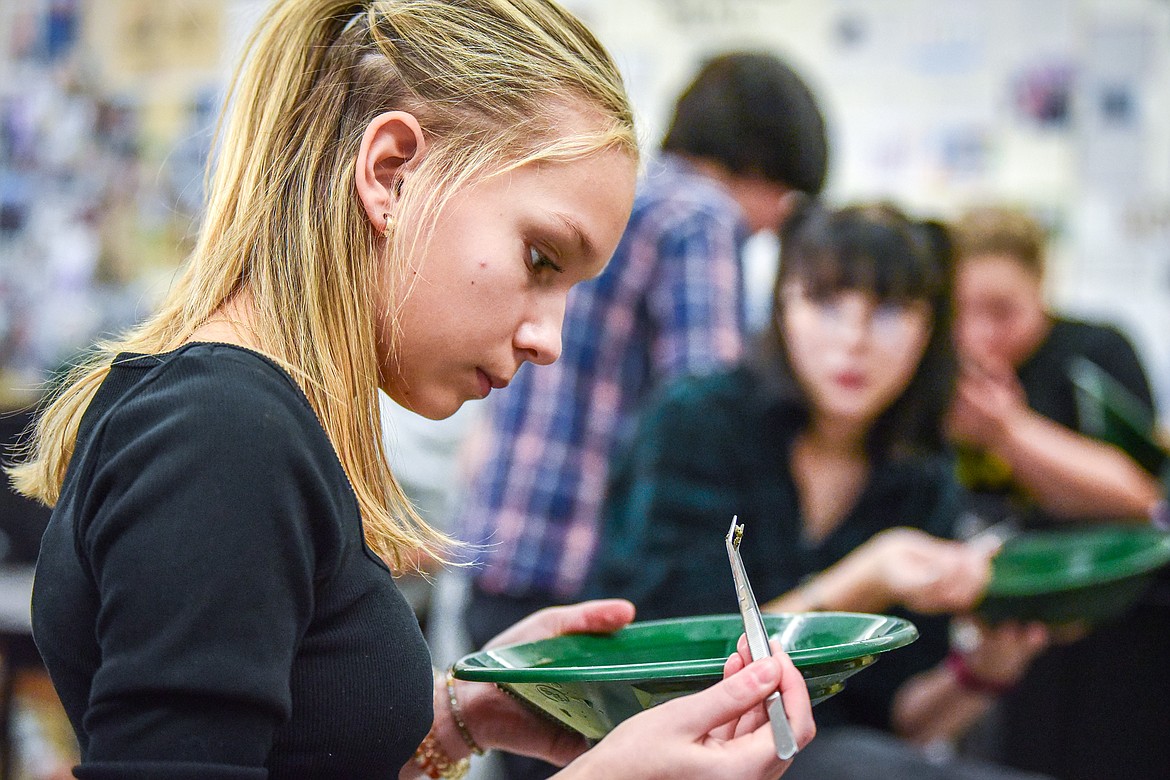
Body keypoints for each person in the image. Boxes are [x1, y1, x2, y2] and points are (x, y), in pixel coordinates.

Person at [7, 1, 816, 777]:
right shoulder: (222, 436)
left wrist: (459, 716)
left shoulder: (242, 420)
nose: (549, 341)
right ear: (390, 172)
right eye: (540, 259)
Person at [455, 49, 829, 779]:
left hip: (499, 566)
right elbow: (709, 407)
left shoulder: (606, 198)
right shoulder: (700, 218)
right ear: (768, 174)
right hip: (593, 579)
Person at [584, 202, 1051, 779]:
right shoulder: (695, 422)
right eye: (825, 304)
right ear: (783, 307)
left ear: (929, 328)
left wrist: (984, 672)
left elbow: (896, 720)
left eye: (889, 310)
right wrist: (866, 578)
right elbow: (679, 671)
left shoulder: (921, 471)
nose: (853, 340)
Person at [947, 205, 1170, 780]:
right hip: (994, 624)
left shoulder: (1094, 351)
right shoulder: (934, 371)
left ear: (1041, 286)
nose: (980, 332)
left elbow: (1138, 494)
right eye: (961, 310)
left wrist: (1008, 431)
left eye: (1002, 310)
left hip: (1116, 621)